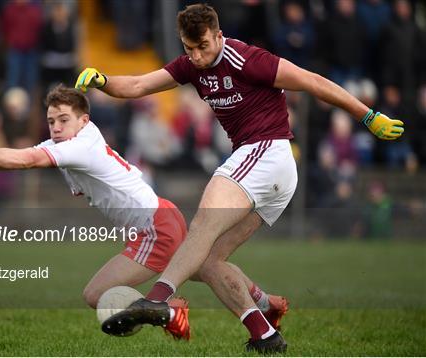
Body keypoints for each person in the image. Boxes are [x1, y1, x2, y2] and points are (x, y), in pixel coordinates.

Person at [75, 3, 404, 354]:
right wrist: (103, 81)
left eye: (203, 46)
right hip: (265, 169)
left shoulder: (247, 59)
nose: (197, 56)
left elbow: (312, 81)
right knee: (208, 260)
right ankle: (265, 332)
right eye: (189, 48)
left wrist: (367, 115)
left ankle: (158, 300)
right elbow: (140, 84)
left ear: (218, 35)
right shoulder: (190, 65)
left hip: (268, 152)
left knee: (203, 221)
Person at [0, 85, 189, 339]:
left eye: (63, 120)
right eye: (51, 121)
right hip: (163, 212)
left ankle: (166, 312)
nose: (56, 127)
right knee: (206, 268)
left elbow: (28, 160)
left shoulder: (78, 147)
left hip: (153, 228)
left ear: (84, 121)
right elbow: (26, 154)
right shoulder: (78, 138)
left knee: (96, 295)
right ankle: (192, 314)